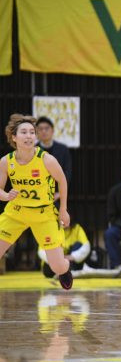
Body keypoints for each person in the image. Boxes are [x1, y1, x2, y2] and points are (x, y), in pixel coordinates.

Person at [0, 114, 72, 289]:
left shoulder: (47, 159)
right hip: (16, 211)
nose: (29, 136)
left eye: (32, 132)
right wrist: (6, 196)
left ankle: (65, 268)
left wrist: (63, 210)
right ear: (14, 137)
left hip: (43, 213)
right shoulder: (6, 161)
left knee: (57, 267)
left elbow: (62, 180)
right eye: (24, 132)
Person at [35, 117, 72, 193]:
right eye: (40, 129)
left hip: (58, 191)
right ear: (36, 132)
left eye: (46, 128)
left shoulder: (63, 149)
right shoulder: (32, 150)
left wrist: (60, 192)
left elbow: (67, 171)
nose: (44, 131)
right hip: (38, 192)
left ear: (52, 131)